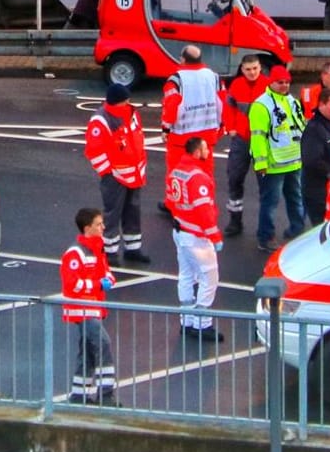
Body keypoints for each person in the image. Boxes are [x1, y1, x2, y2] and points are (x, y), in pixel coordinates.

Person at [83, 83, 150, 265]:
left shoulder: (132, 113)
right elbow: (94, 151)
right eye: (125, 100)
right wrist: (109, 173)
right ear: (117, 101)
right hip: (116, 176)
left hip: (134, 173)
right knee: (113, 214)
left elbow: (138, 138)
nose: (129, 102)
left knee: (133, 211)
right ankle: (110, 252)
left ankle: (133, 248)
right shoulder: (101, 120)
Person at [166, 136, 224, 343]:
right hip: (196, 236)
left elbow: (169, 201)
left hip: (180, 231)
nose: (208, 151)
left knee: (186, 276)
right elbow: (204, 211)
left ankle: (187, 321)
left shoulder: (176, 171)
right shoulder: (197, 177)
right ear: (197, 152)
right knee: (209, 278)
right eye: (206, 148)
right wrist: (215, 236)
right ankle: (202, 324)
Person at [60, 207, 117, 406]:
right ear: (87, 228)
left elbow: (106, 272)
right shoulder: (75, 253)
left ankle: (78, 395)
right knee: (103, 344)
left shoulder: (96, 248)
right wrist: (98, 284)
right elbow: (72, 285)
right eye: (98, 224)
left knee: (88, 352)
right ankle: (106, 394)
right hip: (82, 310)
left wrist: (108, 279)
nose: (103, 227)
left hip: (92, 308)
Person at [248, 66, 306, 253]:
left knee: (295, 198)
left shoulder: (291, 101)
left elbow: (300, 126)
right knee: (270, 202)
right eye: (280, 82)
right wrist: (261, 163)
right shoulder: (261, 105)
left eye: (287, 82)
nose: (284, 85)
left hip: (293, 161)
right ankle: (265, 237)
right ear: (271, 82)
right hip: (273, 165)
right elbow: (257, 137)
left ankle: (297, 230)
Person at [219, 54, 268, 237]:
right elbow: (229, 108)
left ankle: (264, 227)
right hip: (241, 140)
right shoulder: (237, 85)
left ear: (260, 67)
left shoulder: (268, 86)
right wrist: (230, 127)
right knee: (234, 179)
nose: (252, 72)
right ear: (242, 69)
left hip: (262, 142)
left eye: (255, 68)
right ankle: (235, 222)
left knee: (265, 185)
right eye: (248, 69)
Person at [160, 45, 221, 182]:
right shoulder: (214, 77)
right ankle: (205, 201)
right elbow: (222, 103)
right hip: (207, 137)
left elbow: (171, 106)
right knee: (205, 175)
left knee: (177, 176)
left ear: (182, 59)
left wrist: (165, 129)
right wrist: (221, 127)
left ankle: (176, 203)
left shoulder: (176, 80)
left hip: (181, 139)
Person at [298, 84, 330, 228]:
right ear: (321, 105)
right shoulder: (315, 129)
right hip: (317, 191)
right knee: (322, 228)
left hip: (326, 189)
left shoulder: (328, 126)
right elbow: (312, 160)